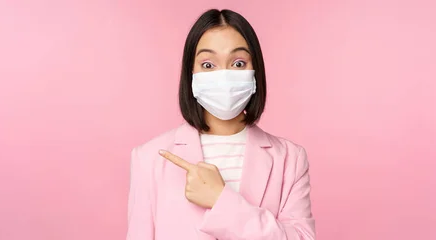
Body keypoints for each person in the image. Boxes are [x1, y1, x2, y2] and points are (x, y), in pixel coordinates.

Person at [126, 9, 316, 240]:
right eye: (208, 65)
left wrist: (221, 200)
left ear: (255, 72)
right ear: (191, 74)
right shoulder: (148, 159)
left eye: (238, 63)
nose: (224, 76)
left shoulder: (289, 159)